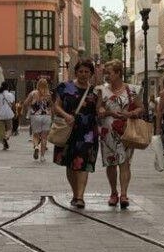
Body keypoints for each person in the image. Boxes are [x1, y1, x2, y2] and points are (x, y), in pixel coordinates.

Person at [53, 59, 102, 209]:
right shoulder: (64, 87)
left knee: (83, 164)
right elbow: (56, 106)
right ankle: (75, 193)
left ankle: (80, 196)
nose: (83, 74)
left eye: (86, 72)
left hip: (87, 133)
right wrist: (66, 115)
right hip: (68, 131)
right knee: (70, 164)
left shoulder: (95, 91)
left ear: (91, 74)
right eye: (81, 71)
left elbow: (98, 110)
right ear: (76, 72)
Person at [97, 60, 143, 208]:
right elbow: (99, 111)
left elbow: (141, 108)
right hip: (108, 132)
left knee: (125, 162)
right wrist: (109, 112)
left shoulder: (132, 90)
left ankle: (123, 194)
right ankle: (113, 192)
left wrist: (129, 113)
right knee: (111, 163)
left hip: (126, 131)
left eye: (109, 73)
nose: (107, 76)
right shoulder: (102, 91)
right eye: (106, 73)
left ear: (118, 73)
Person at [24, 79, 54, 162]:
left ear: (37, 85)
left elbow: (25, 103)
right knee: (44, 137)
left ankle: (36, 147)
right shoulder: (48, 95)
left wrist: (30, 107)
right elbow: (52, 106)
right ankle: (42, 157)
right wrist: (52, 117)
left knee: (35, 136)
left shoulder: (32, 94)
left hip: (35, 117)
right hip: (46, 117)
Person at [0, 82, 16, 150]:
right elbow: (13, 105)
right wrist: (15, 113)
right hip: (8, 114)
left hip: (0, 114)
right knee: (9, 128)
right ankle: (6, 138)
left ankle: (4, 144)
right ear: (8, 87)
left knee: (1, 130)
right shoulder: (10, 95)